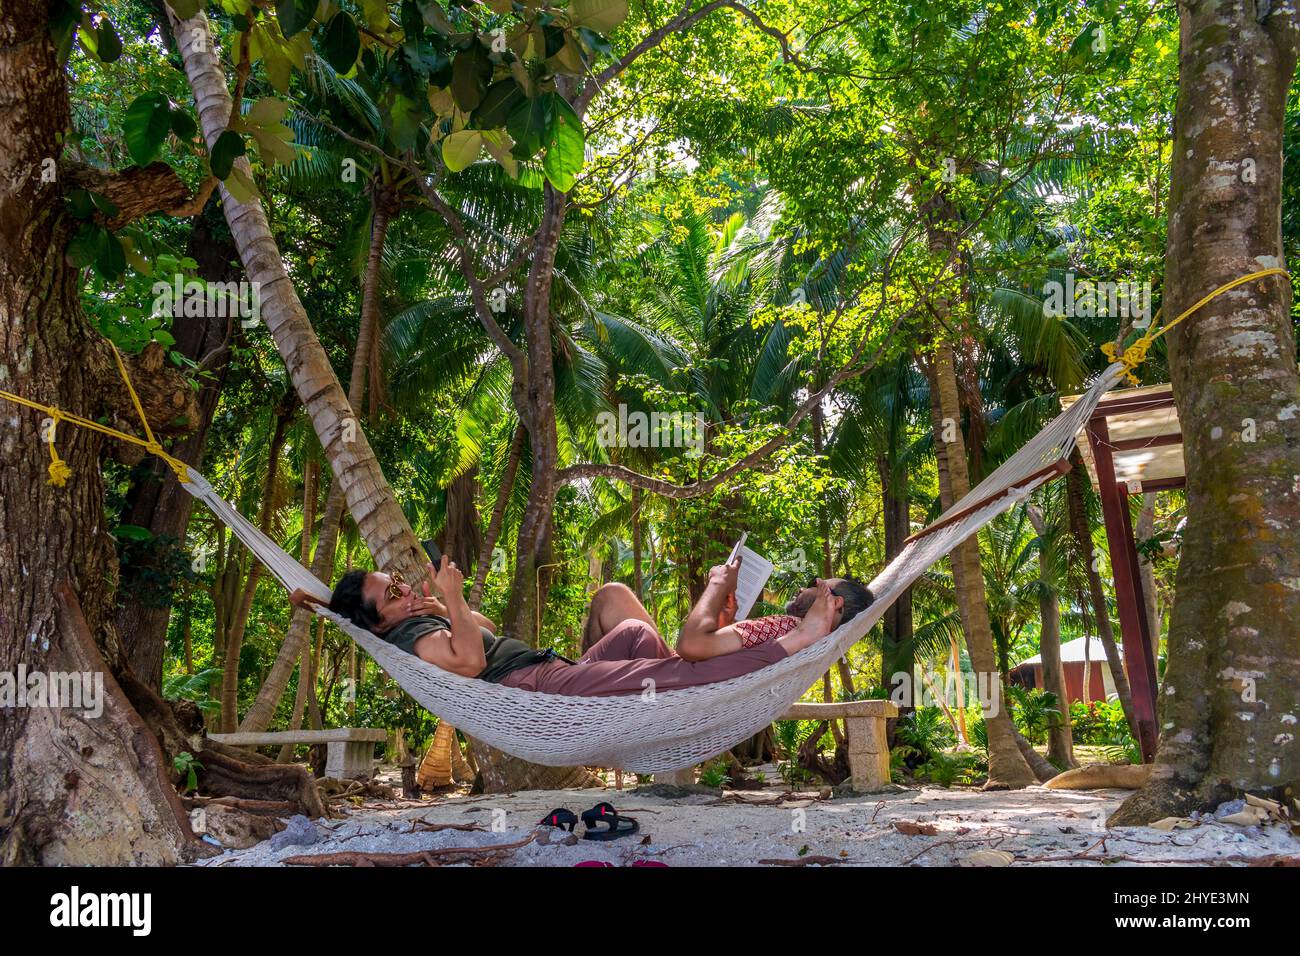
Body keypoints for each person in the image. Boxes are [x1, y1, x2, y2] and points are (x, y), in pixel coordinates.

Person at [290, 556, 874, 698]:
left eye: (397, 580)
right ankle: (669, 680)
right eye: (391, 593)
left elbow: (481, 633)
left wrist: (446, 607)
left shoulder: (418, 624)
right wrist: (452, 599)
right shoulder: (408, 639)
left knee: (634, 628)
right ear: (380, 617)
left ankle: (657, 669)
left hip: (552, 669)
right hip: (538, 689)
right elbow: (470, 663)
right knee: (669, 667)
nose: (401, 589)